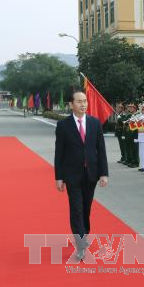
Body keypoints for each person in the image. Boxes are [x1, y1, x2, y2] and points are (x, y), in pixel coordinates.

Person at [54, 91, 109, 261]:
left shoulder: (94, 123)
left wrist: (104, 173)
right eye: (79, 102)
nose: (83, 104)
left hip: (91, 174)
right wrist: (59, 177)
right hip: (72, 175)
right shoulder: (63, 126)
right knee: (76, 209)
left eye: (85, 101)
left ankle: (84, 234)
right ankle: (80, 245)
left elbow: (101, 150)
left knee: (86, 208)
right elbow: (59, 153)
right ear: (71, 104)